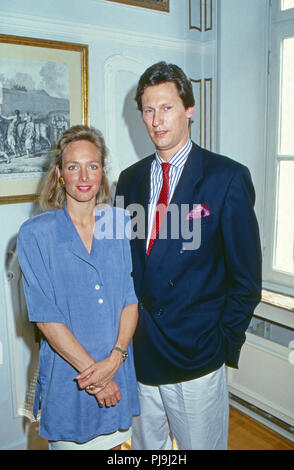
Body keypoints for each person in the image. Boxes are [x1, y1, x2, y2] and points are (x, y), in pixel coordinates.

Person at [115, 61, 262, 450]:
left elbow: (247, 281)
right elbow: (126, 266)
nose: (157, 120)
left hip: (196, 356)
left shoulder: (225, 178)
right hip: (141, 352)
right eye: (148, 109)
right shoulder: (129, 179)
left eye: (166, 107)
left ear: (189, 110)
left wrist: (220, 343)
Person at [17, 125, 139, 450]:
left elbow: (130, 298)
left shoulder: (121, 223)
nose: (84, 176)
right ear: (60, 173)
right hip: (70, 382)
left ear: (102, 172)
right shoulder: (35, 234)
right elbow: (46, 318)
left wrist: (115, 360)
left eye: (93, 166)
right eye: (73, 167)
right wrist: (97, 380)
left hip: (118, 371)